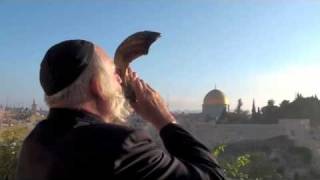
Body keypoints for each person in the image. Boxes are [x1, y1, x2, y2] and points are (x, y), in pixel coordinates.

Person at [16, 40, 226, 180]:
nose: (120, 80)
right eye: (113, 73)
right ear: (97, 85)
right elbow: (213, 176)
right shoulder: (121, 145)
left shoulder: (34, 142)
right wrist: (164, 119)